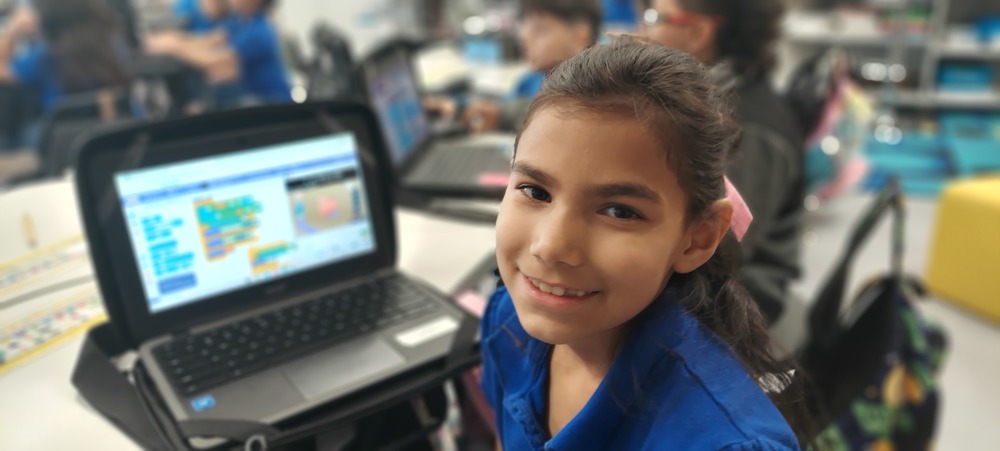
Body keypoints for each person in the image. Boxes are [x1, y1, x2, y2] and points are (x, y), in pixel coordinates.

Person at [481, 36, 809, 450]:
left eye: (619, 212)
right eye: (535, 191)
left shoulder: (725, 444)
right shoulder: (506, 321)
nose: (551, 247)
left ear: (699, 237)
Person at [638, 0, 805, 324]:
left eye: (654, 16)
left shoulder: (753, 132)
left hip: (733, 308)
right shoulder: (697, 98)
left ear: (698, 32)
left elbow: (721, 255)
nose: (642, 29)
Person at [433, 0, 601, 132]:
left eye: (540, 28)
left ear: (580, 37)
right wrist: (458, 107)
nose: (524, 36)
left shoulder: (602, 85)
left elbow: (566, 110)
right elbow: (509, 105)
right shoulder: (533, 80)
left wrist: (502, 116)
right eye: (525, 24)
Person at [146, 0, 291, 107]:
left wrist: (173, 47)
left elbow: (218, 61)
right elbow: (208, 41)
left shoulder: (259, 31)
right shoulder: (238, 21)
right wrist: (173, 39)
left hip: (274, 104)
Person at [0, 0, 131, 113]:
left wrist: (13, 29)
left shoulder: (45, 57)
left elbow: (3, 69)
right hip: (115, 132)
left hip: (63, 138)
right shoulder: (114, 45)